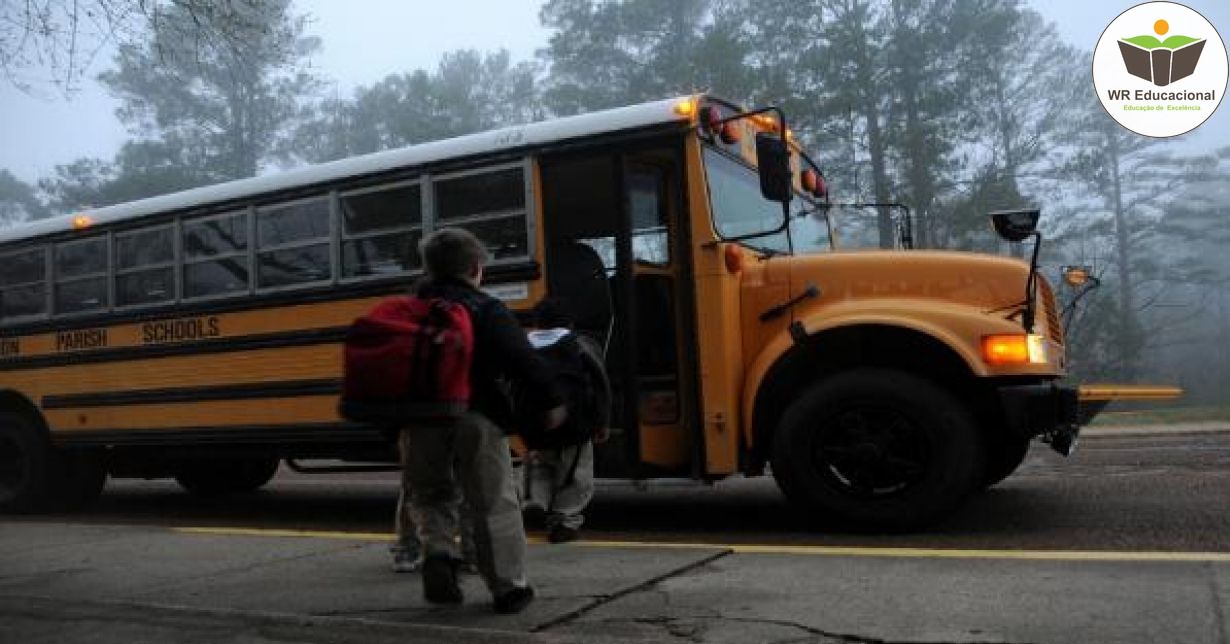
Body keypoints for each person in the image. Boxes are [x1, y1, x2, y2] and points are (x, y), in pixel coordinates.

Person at [399, 227, 565, 614]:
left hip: (419, 419)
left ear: (428, 267)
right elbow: (522, 360)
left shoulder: (407, 310)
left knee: (429, 494)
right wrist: (551, 402)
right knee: (492, 502)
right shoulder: (485, 308)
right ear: (476, 268)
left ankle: (439, 553)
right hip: (476, 415)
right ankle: (508, 587)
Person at [521, 299, 611, 544]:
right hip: (575, 427)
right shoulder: (580, 345)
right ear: (569, 322)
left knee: (539, 469)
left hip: (536, 428)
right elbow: (599, 385)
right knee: (574, 475)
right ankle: (565, 520)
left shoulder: (523, 346)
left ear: (536, 322)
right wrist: (601, 421)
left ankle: (536, 502)